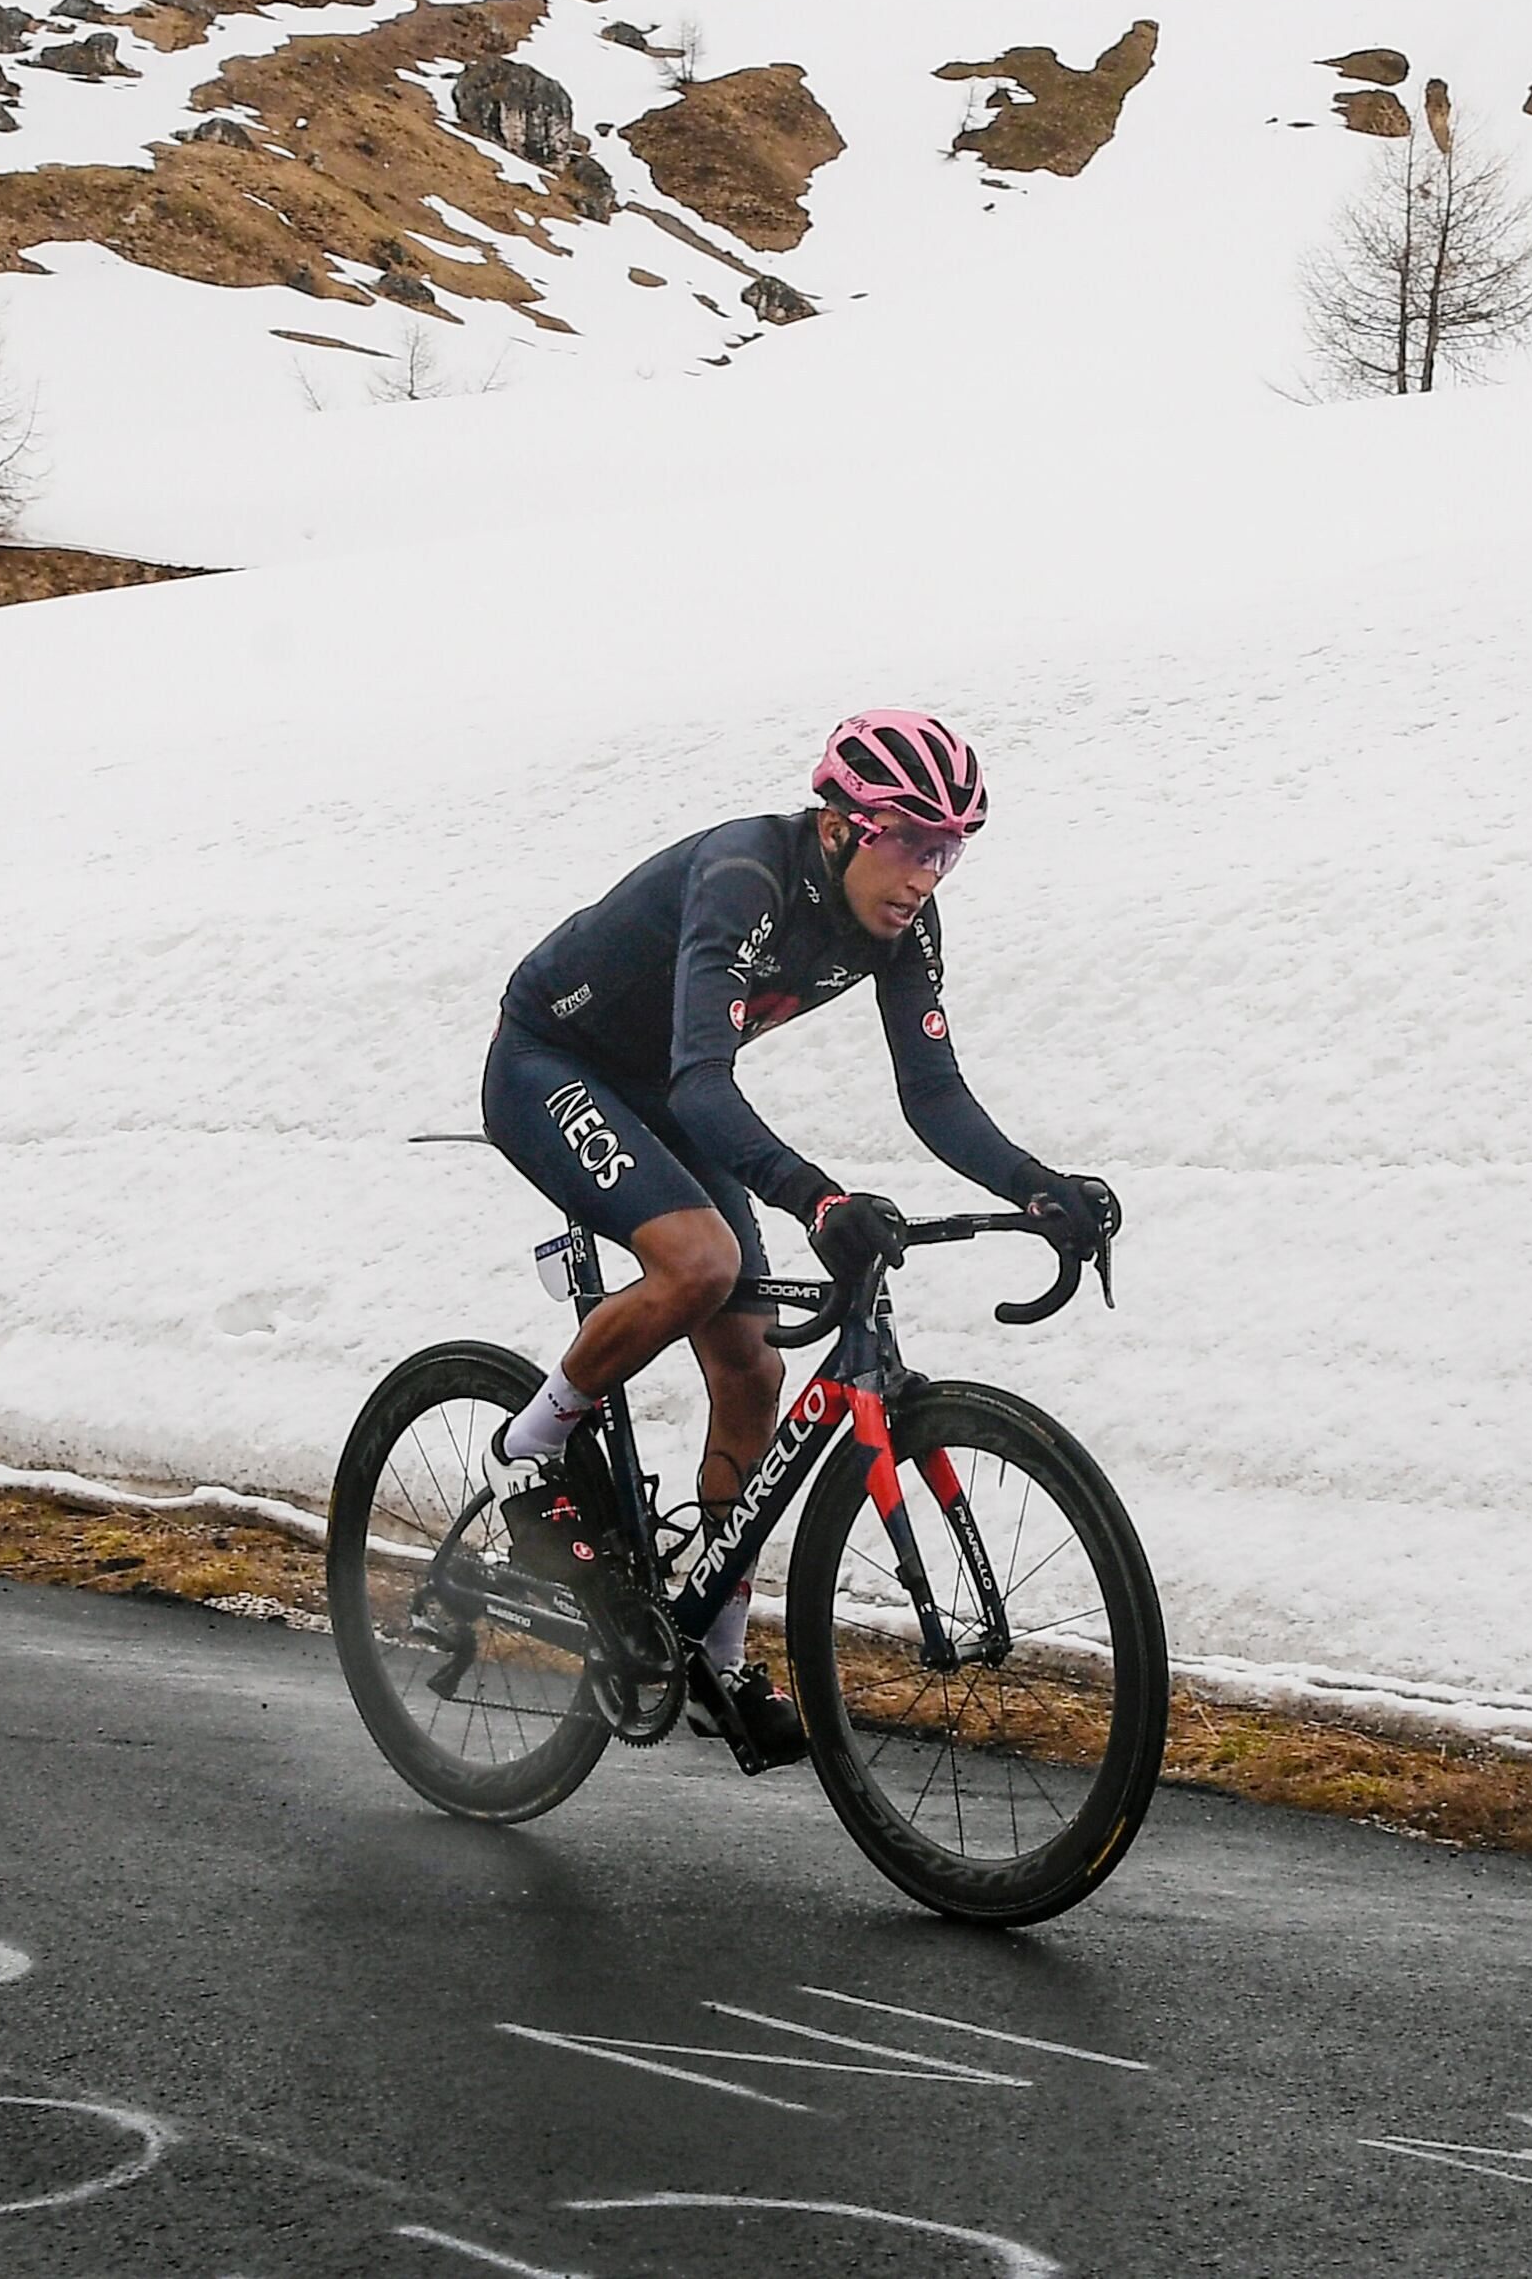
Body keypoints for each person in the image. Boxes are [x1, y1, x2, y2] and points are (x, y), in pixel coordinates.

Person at [479, 707, 1122, 1772]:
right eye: (910, 841)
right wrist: (816, 1199)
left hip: (667, 1091)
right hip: (553, 1062)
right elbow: (700, 1079)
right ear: (842, 824)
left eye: (947, 849)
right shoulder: (748, 875)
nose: (925, 873)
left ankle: (715, 1659)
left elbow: (933, 1094)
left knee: (749, 1367)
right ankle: (532, 1444)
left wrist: (1037, 1187)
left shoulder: (901, 926)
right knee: (702, 1263)